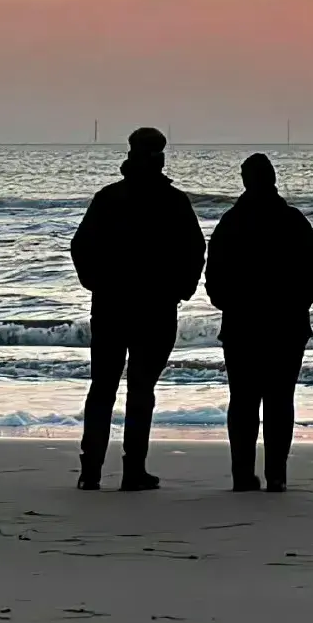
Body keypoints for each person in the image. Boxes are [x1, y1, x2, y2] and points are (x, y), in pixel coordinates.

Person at [70, 127, 205, 492]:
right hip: (154, 308)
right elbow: (195, 251)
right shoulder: (173, 201)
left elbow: (80, 247)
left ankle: (91, 470)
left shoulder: (109, 198)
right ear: (159, 159)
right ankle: (133, 470)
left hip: (113, 306)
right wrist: (182, 288)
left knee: (103, 387)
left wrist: (96, 283)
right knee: (140, 389)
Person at [205, 153, 313, 492]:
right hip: (286, 325)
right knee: (279, 400)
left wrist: (227, 303)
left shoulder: (231, 222)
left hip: (242, 324)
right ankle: (277, 474)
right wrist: (300, 303)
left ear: (246, 181)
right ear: (272, 180)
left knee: (242, 401)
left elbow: (213, 276)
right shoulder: (292, 220)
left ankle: (243, 474)